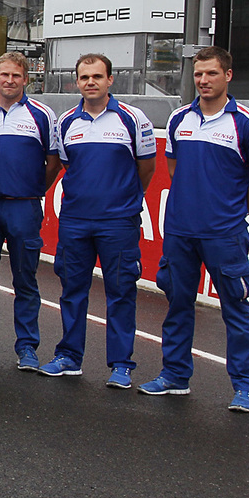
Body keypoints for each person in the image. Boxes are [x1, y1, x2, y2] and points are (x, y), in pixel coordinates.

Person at [142, 47, 249, 411]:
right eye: (198, 74)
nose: (203, 80)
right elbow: (174, 170)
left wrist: (229, 214)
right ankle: (175, 376)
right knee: (177, 305)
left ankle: (244, 387)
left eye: (211, 73)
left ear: (227, 76)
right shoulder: (179, 118)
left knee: (235, 307)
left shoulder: (247, 122)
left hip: (224, 235)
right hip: (181, 232)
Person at [41, 53, 155, 384]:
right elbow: (68, 167)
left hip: (118, 222)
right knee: (72, 290)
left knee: (120, 292)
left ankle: (121, 364)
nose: (90, 82)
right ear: (76, 82)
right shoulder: (66, 123)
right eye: (84, 77)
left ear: (110, 80)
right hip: (76, 220)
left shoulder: (133, 119)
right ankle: (69, 356)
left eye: (97, 76)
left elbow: (146, 168)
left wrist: (124, 200)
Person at [0, 52, 60, 370]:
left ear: (26, 79)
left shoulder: (43, 115)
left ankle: (27, 348)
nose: (10, 80)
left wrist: (33, 190)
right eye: (4, 74)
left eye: (16, 76)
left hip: (24, 208)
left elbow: (54, 162)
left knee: (25, 280)